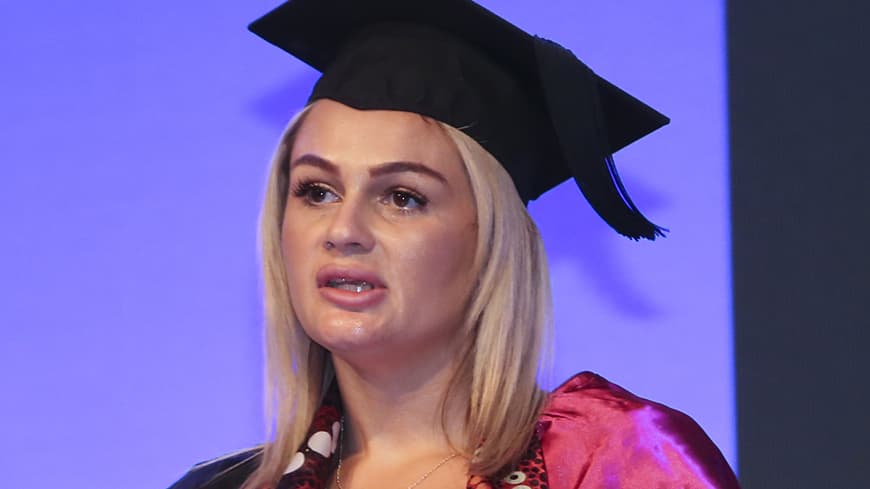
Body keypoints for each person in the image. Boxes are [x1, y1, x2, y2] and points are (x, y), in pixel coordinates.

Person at [169, 0, 740, 488]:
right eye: (317, 191)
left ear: (491, 242)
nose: (343, 231)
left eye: (402, 197)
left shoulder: (614, 463)